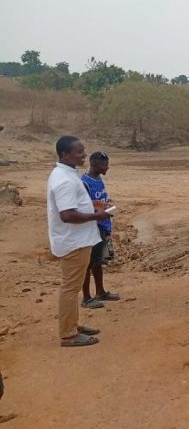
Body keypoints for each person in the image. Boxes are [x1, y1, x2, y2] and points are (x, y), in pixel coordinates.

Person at [47, 136, 111, 347]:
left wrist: (92, 205)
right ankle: (68, 334)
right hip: (73, 242)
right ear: (65, 154)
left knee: (72, 287)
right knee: (70, 288)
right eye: (79, 152)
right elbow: (67, 215)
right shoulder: (64, 180)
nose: (84, 155)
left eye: (83, 151)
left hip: (77, 240)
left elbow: (74, 206)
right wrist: (97, 216)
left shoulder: (67, 174)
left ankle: (73, 325)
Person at [80, 151, 120, 309]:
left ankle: (100, 292)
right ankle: (86, 297)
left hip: (102, 225)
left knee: (98, 261)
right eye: (105, 165)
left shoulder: (98, 179)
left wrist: (107, 204)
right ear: (95, 164)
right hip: (93, 227)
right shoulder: (84, 182)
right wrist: (100, 208)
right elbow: (83, 205)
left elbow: (100, 199)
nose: (107, 168)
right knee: (88, 263)